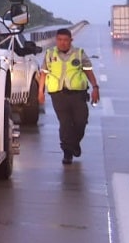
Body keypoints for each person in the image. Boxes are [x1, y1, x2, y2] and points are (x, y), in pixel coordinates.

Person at [37, 28, 100, 164]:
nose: (62, 43)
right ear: (56, 40)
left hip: (78, 95)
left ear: (71, 40)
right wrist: (40, 91)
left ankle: (74, 144)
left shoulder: (79, 53)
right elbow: (44, 73)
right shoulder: (50, 54)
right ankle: (67, 152)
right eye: (59, 40)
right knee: (65, 124)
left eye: (66, 40)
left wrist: (95, 87)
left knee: (81, 122)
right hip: (58, 95)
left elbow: (88, 71)